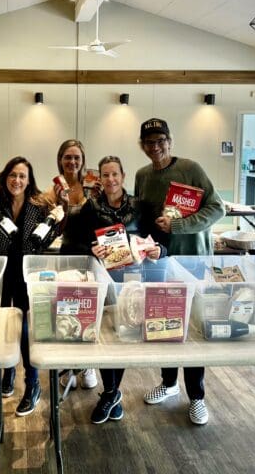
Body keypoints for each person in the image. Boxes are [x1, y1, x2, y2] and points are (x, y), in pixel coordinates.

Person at [134, 118, 225, 426]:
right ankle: (169, 383)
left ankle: (197, 397)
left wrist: (179, 225)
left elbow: (217, 208)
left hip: (193, 262)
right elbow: (142, 219)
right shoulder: (142, 175)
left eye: (160, 140)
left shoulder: (191, 169)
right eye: (149, 142)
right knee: (166, 325)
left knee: (195, 330)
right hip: (159, 263)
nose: (155, 147)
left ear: (170, 141)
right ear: (142, 146)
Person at [70, 155, 165, 424]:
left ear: (123, 176)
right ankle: (112, 393)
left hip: (134, 278)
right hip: (103, 278)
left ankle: (111, 393)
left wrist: (158, 249)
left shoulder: (140, 205)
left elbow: (159, 240)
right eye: (105, 175)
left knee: (123, 334)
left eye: (115, 174)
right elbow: (75, 242)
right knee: (104, 335)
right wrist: (90, 247)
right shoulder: (91, 207)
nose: (110, 179)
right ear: (99, 178)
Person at [0, 156, 63, 416]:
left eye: (22, 176)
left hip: (28, 272)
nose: (17, 180)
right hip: (1, 271)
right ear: (5, 177)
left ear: (29, 180)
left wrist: (54, 221)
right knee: (3, 324)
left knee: (28, 328)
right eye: (13, 175)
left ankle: (33, 383)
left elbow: (43, 241)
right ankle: (8, 371)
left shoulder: (38, 205)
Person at [47, 139, 100, 391]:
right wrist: (62, 206)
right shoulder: (54, 190)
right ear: (60, 160)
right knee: (67, 307)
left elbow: (101, 220)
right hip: (67, 251)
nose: (72, 162)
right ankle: (67, 363)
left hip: (93, 252)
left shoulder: (92, 186)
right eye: (67, 157)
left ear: (83, 160)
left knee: (88, 306)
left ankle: (88, 365)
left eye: (76, 157)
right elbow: (56, 228)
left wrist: (100, 198)